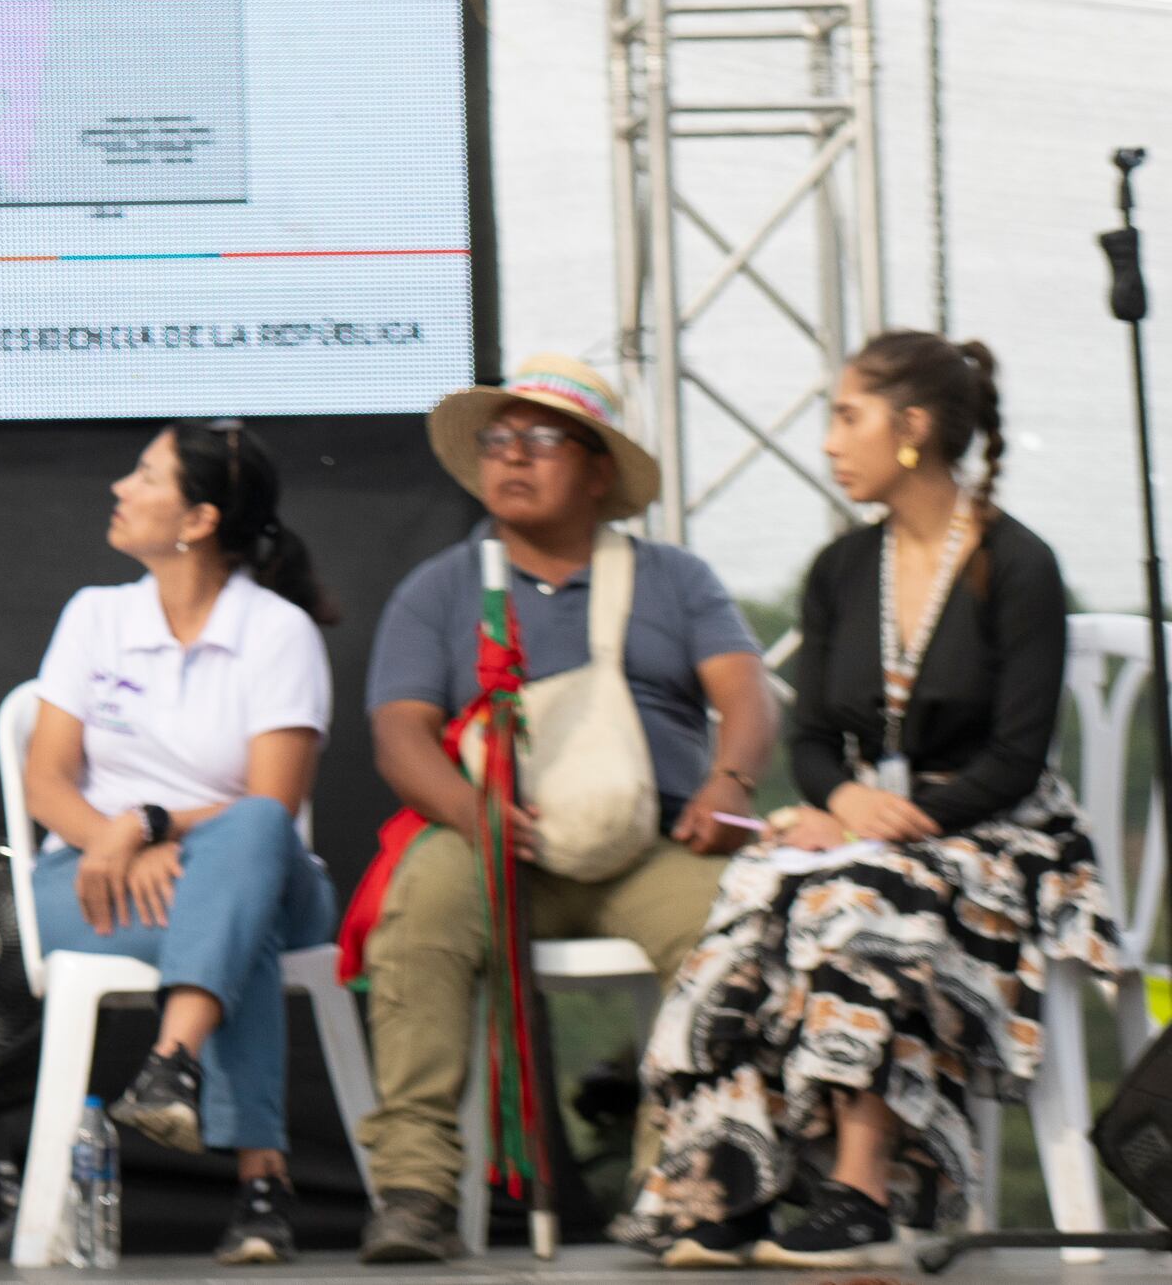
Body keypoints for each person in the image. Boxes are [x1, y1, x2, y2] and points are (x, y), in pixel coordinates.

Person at [620, 334, 1117, 1267]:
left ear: (913, 429)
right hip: (873, 833)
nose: (829, 440)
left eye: (848, 415)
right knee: (756, 892)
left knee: (861, 893)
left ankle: (862, 1188)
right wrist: (846, 801)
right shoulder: (842, 568)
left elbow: (1016, 758)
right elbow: (811, 740)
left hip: (1003, 840)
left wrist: (884, 822)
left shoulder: (1018, 564)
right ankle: (725, 1181)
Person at [347, 358, 772, 1266]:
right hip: (493, 844)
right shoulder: (441, 585)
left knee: (727, 930)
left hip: (650, 845)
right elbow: (399, 733)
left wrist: (727, 782)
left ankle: (682, 1189)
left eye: (541, 439)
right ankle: (417, 1190)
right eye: (499, 440)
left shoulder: (675, 579)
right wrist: (473, 811)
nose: (512, 457)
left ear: (598, 470)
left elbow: (747, 694)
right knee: (418, 913)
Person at [19, 423, 342, 1264]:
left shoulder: (278, 633)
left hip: (258, 869)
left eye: (145, 475)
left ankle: (172, 1058)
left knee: (254, 845)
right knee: (242, 930)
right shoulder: (94, 616)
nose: (120, 488)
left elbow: (273, 801)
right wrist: (118, 840)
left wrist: (154, 823)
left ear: (197, 518)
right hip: (97, 877)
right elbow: (47, 782)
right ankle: (259, 1185)